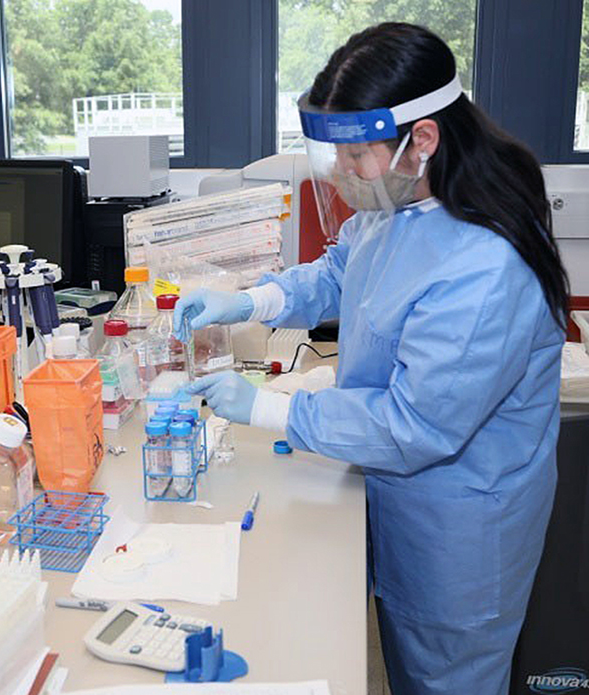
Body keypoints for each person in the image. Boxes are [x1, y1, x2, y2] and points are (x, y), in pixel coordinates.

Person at [174, 22, 570, 695]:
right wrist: (248, 300)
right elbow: (339, 266)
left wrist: (269, 407)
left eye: (355, 156)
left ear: (423, 140)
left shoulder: (484, 264)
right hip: (397, 499)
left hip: (459, 536)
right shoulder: (404, 198)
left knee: (446, 678)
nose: (340, 174)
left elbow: (413, 426)